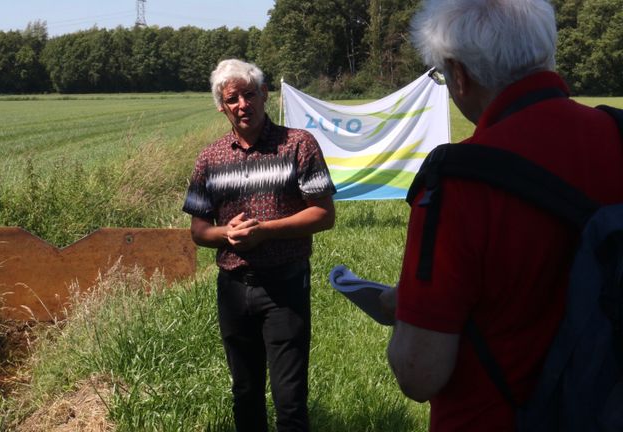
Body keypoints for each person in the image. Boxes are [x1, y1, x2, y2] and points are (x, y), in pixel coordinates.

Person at [380, 0, 623, 430]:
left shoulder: (456, 182)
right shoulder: (618, 135)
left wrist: (405, 309)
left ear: (459, 73)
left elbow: (420, 373)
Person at [182, 58, 336, 431]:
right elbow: (199, 230)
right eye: (232, 98)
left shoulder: (298, 145)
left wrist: (265, 231)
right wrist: (226, 234)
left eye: (249, 94)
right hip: (234, 288)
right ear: (221, 105)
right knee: (245, 392)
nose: (242, 105)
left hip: (284, 287)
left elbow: (323, 214)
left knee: (289, 398)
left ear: (264, 94)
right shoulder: (210, 158)